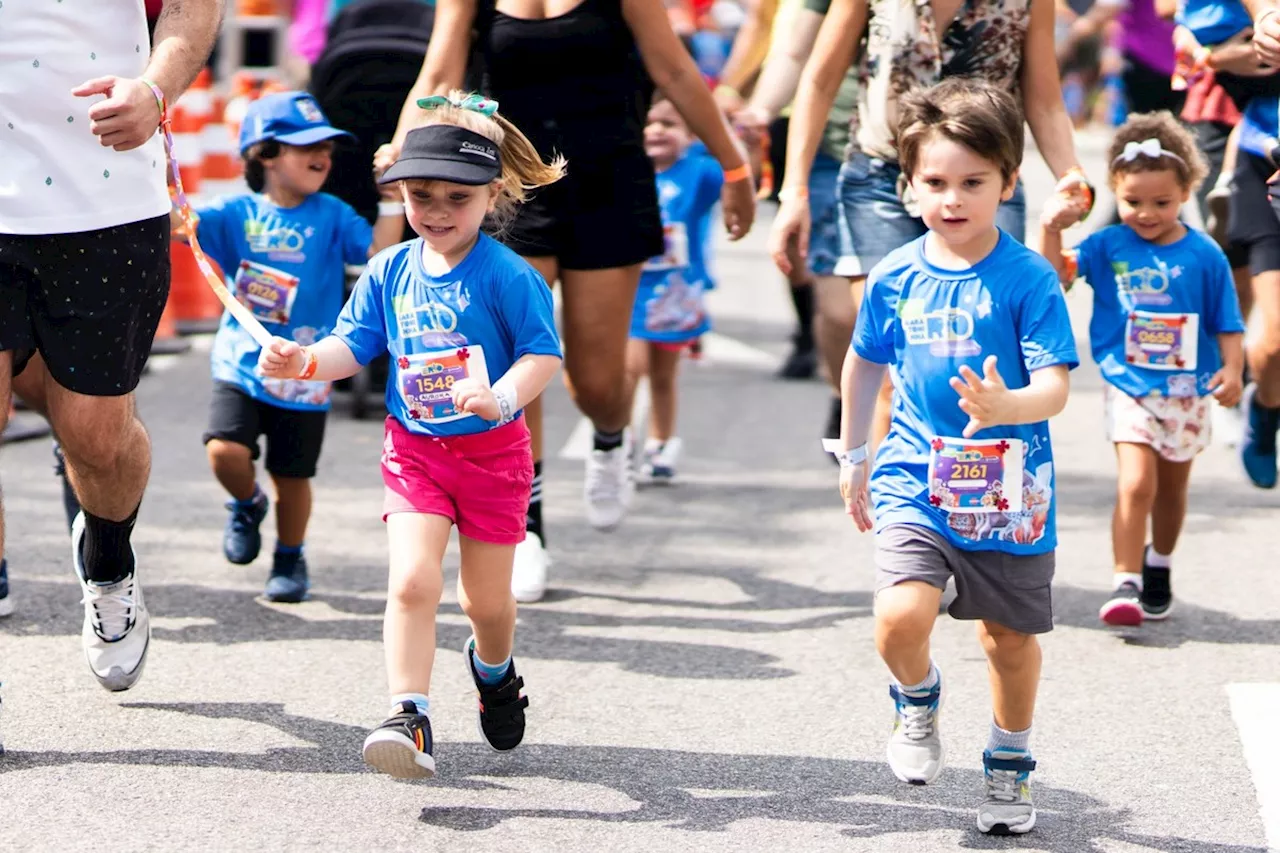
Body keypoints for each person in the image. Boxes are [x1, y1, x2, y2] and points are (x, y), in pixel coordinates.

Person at [378, 0, 757, 603]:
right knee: (511, 363)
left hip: (610, 183)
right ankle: (526, 528)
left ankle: (611, 435)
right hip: (509, 190)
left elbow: (676, 71)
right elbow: (437, 75)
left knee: (598, 382)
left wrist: (735, 171)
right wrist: (405, 152)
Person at [259, 92, 564, 778]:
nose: (435, 212)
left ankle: (495, 671)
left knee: (485, 602)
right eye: (421, 195)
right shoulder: (390, 269)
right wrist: (304, 360)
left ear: (492, 196)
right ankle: (409, 715)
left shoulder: (510, 277)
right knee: (411, 581)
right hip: (417, 452)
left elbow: (543, 354)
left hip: (494, 456)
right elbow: (350, 345)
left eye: (457, 198)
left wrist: (500, 396)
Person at [834, 79, 1077, 835]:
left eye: (974, 182)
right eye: (935, 182)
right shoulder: (895, 275)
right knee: (899, 617)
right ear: (908, 186)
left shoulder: (1029, 278)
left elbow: (1056, 385)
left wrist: (1011, 407)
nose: (953, 198)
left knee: (1007, 641)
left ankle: (1009, 766)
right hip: (916, 474)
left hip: (1010, 489)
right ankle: (917, 698)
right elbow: (863, 362)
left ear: (1008, 183)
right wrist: (854, 454)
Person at [0, 0, 220, 692]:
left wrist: (155, 90)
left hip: (104, 203)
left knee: (95, 437)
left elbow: (192, 9)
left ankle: (108, 561)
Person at [771, 0, 1091, 459]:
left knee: (986, 360)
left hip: (984, 181)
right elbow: (820, 79)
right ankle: (898, 508)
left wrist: (1072, 178)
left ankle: (982, 495)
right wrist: (794, 191)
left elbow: (1043, 98)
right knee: (892, 362)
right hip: (881, 175)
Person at [182, 91, 404, 602]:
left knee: (294, 476)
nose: (320, 153)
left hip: (307, 368)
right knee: (224, 450)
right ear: (264, 155)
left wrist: (391, 196)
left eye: (325, 143)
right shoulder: (235, 212)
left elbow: (379, 255)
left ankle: (289, 555)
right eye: (303, 145)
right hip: (240, 361)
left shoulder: (333, 214)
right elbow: (182, 227)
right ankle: (246, 503)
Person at [1042, 113, 1245, 625]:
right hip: (1128, 384)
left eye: (1162, 203)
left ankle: (1160, 563)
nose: (1147, 214)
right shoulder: (1108, 245)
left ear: (1186, 194)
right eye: (1133, 202)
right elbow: (1052, 278)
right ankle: (1124, 581)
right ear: (1115, 190)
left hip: (1188, 388)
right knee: (1136, 484)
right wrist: (1050, 229)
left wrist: (1235, 370)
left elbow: (1227, 319)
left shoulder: (1205, 254)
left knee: (1173, 490)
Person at [626, 96, 724, 482]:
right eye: (648, 123)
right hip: (629, 290)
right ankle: (619, 438)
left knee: (664, 376)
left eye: (669, 124)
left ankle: (661, 442)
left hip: (675, 295)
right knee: (629, 369)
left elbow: (736, 176)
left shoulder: (699, 172)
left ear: (690, 134)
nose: (657, 131)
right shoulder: (626, 169)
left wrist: (741, 143)